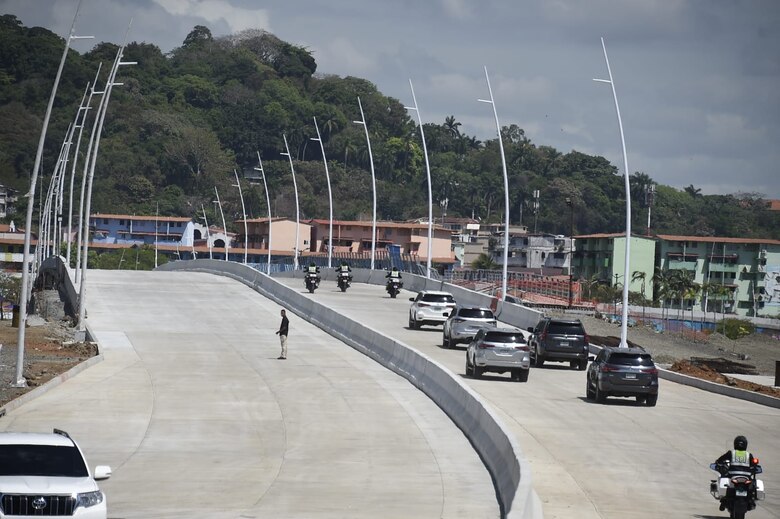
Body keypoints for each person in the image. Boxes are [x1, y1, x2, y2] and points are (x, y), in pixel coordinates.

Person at [714, 435, 760, 511]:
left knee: (724, 481)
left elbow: (720, 460)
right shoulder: (749, 455)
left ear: (735, 444)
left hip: (733, 476)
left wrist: (718, 463)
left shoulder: (731, 453)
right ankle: (751, 501)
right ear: (745, 445)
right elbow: (754, 465)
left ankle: (724, 500)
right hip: (746, 478)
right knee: (752, 486)